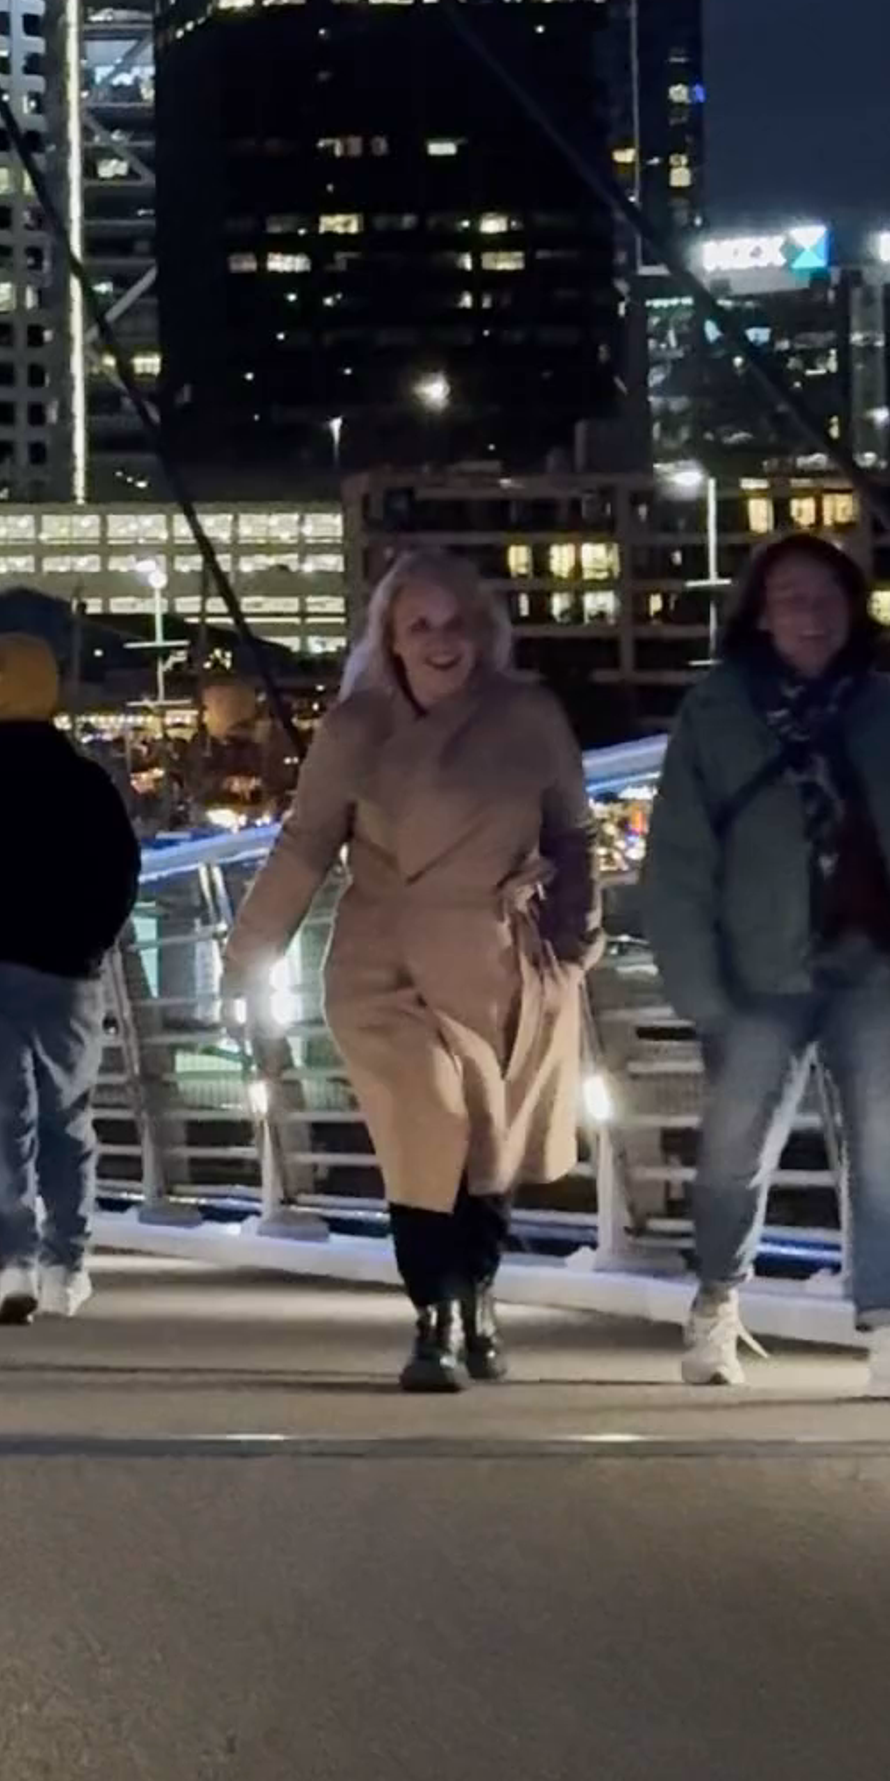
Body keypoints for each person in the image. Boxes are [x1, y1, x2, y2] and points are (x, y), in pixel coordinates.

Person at [225, 546, 594, 1391]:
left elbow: (572, 833)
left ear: (484, 632)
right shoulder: (355, 729)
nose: (440, 640)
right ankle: (435, 1314)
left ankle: (477, 1296)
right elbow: (305, 845)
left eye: (456, 623)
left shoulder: (530, 718)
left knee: (489, 1136)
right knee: (427, 1121)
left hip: (501, 958)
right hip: (384, 963)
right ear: (389, 637)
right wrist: (248, 954)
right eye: (419, 624)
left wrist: (576, 942)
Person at [642, 529, 890, 1397]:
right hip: (755, 969)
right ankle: (717, 1299)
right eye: (791, 599)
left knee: (887, 1145)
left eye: (827, 597)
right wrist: (697, 983)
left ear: (854, 609)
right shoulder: (716, 711)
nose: (811, 614)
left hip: (876, 962)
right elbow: (679, 855)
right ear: (760, 616)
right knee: (736, 1148)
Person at [0, 610, 142, 1321]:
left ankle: (12, 1261)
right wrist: (93, 939)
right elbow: (120, 871)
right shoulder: (85, 782)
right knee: (67, 1116)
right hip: (67, 967)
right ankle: (65, 1265)